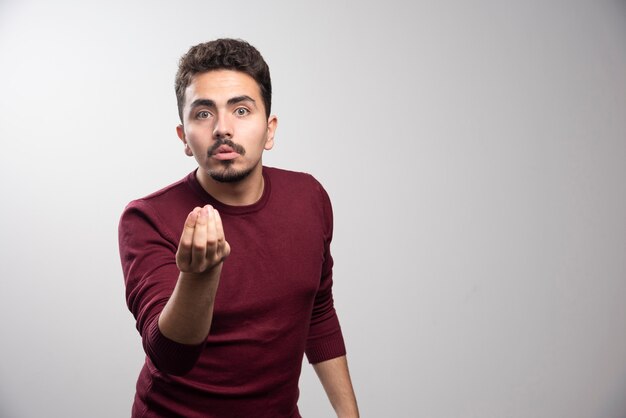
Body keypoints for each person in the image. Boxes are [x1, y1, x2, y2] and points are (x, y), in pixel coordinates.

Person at [118, 38, 359, 418]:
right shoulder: (147, 218)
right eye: (203, 114)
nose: (222, 128)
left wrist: (350, 416)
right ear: (184, 137)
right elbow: (170, 356)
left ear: (270, 130)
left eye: (242, 110)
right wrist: (199, 276)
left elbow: (317, 310)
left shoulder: (308, 197)